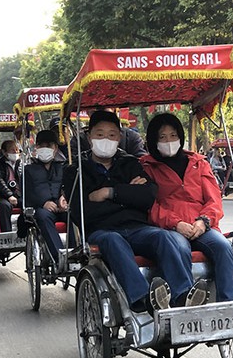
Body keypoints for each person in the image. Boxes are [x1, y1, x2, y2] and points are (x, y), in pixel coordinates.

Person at [63, 110, 204, 313]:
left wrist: (109, 193)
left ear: (119, 137)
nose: (106, 140)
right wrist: (129, 194)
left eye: (112, 135)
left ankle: (182, 296)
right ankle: (143, 299)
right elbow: (81, 211)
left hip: (137, 227)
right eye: (100, 134)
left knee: (164, 237)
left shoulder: (130, 164)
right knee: (114, 241)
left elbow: (147, 196)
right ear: (89, 136)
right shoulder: (75, 171)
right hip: (103, 231)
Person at [140, 113, 233, 302]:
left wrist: (203, 221)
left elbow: (214, 199)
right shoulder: (146, 167)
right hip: (170, 228)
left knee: (224, 247)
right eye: (162, 137)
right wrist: (176, 224)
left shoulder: (199, 163)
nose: (169, 141)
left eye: (173, 135)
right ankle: (183, 300)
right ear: (154, 140)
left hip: (201, 226)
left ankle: (229, 306)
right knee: (178, 248)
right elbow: (149, 206)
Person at [23, 130, 67, 263]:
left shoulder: (63, 167)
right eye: (42, 145)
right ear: (36, 148)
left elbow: (69, 186)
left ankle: (75, 251)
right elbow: (27, 194)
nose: (45, 149)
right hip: (41, 208)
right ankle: (59, 257)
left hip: (61, 206)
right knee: (43, 216)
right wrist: (43, 203)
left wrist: (64, 198)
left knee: (75, 214)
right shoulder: (28, 170)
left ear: (55, 148)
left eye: (49, 145)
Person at [0, 140, 22, 232]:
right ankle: (6, 232)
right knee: (4, 206)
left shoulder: (21, 163)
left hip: (19, 194)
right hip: (3, 196)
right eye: (12, 150)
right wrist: (9, 195)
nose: (16, 152)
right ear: (4, 152)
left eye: (17, 150)